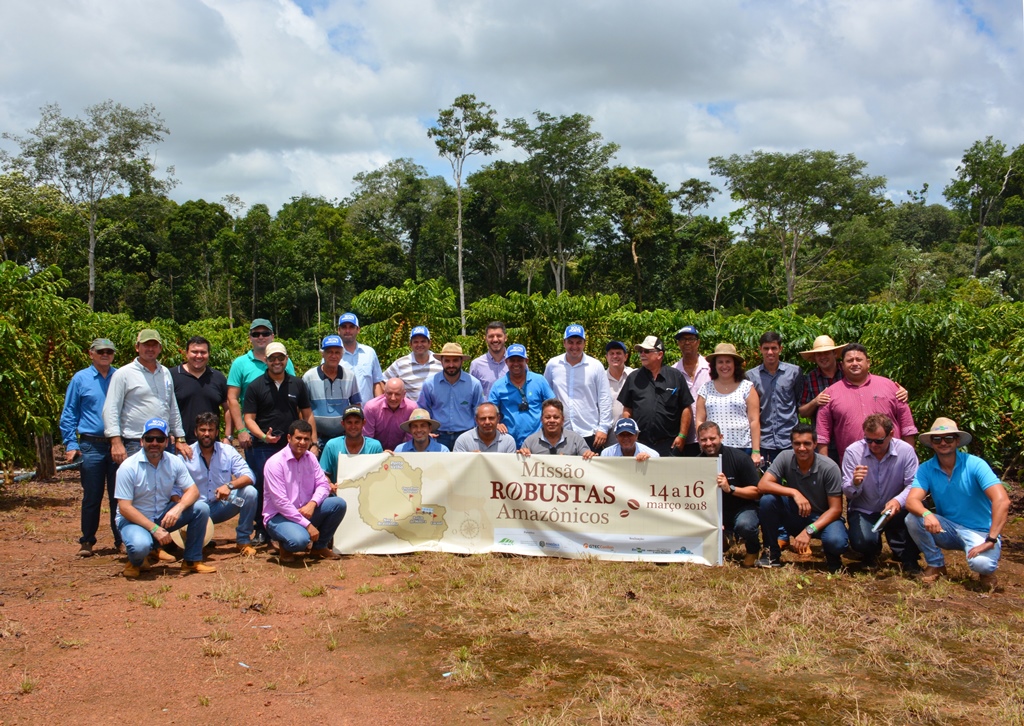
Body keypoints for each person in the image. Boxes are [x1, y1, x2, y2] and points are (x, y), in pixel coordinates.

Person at [905, 418, 1009, 591]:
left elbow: (1002, 500)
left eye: (949, 438)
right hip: (949, 528)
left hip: (980, 530)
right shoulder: (926, 468)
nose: (943, 443)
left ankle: (986, 572)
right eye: (937, 439)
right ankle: (936, 564)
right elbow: (911, 500)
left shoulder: (975, 464)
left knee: (982, 564)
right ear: (931, 443)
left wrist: (991, 538)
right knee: (912, 518)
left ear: (957, 441)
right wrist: (927, 514)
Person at [114, 418, 215, 578]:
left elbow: (193, 491)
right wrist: (154, 529)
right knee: (140, 546)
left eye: (160, 439)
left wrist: (178, 509)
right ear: (141, 441)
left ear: (167, 442)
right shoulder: (128, 467)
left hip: (162, 516)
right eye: (149, 439)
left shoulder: (173, 462)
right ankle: (137, 560)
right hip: (134, 520)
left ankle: (191, 561)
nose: (154, 443)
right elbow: (125, 508)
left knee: (201, 508)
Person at [242, 341, 315, 545]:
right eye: (272, 358)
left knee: (293, 488)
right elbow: (249, 418)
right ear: (265, 360)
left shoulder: (297, 384)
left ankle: (289, 525)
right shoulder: (255, 386)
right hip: (263, 446)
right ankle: (261, 529)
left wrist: (312, 442)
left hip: (293, 446)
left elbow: (308, 415)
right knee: (261, 487)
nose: (276, 362)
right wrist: (263, 436)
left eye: (280, 358)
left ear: (286, 359)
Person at [798, 335, 909, 466]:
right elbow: (802, 411)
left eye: (826, 352)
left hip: (877, 444)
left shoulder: (849, 369)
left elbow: (867, 380)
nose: (823, 357)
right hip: (835, 442)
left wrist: (899, 391)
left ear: (835, 354)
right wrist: (816, 401)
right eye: (819, 354)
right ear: (814, 358)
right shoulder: (810, 378)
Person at [756, 424, 848, 572]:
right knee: (768, 501)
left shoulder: (829, 467)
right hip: (796, 513)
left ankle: (833, 559)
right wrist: (794, 492)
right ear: (791, 444)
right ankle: (770, 553)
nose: (802, 448)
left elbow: (836, 509)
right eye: (797, 443)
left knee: (836, 542)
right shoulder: (785, 457)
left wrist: (809, 531)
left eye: (807, 443)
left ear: (815, 444)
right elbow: (762, 484)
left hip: (821, 518)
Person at [60, 337, 121, 556]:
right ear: (91, 353)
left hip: (117, 444)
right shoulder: (80, 379)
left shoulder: (120, 376)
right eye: (101, 351)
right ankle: (87, 540)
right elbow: (69, 413)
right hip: (91, 445)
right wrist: (71, 443)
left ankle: (121, 539)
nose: (106, 354)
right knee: (92, 495)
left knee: (120, 495)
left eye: (109, 351)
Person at [841, 414, 920, 571]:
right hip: (865, 509)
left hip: (896, 510)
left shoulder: (906, 451)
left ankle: (908, 558)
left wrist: (898, 501)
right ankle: (871, 552)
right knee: (862, 542)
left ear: (891, 434)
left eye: (878, 440)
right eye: (868, 440)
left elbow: (914, 484)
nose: (873, 445)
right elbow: (848, 493)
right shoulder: (853, 452)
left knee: (918, 512)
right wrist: (855, 484)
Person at [263, 420, 346, 561]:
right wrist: (307, 525)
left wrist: (312, 504)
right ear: (289, 438)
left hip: (305, 510)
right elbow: (280, 503)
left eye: (306, 439)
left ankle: (319, 547)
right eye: (298, 438)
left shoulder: (311, 459)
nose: (302, 442)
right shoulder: (274, 463)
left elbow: (323, 485)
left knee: (338, 504)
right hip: (279, 516)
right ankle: (285, 546)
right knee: (299, 541)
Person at [103, 328, 189, 464]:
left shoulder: (165, 372)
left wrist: (180, 438)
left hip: (163, 441)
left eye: (154, 345)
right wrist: (116, 442)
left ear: (160, 348)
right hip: (135, 442)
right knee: (137, 484)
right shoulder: (123, 374)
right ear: (137, 347)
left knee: (165, 483)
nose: (150, 349)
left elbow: (172, 407)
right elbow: (111, 409)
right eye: (146, 345)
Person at [182, 412, 259, 557]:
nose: (206, 434)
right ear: (195, 431)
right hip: (196, 510)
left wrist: (229, 486)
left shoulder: (228, 451)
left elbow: (249, 476)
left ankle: (243, 540)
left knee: (250, 493)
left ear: (217, 432)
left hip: (223, 504)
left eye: (211, 430)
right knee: (198, 507)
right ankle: (198, 539)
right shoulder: (186, 455)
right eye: (203, 430)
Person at [226, 318, 296, 452]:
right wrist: (241, 430)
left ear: (272, 336)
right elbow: (232, 399)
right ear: (250, 337)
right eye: (256, 334)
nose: (261, 337)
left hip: (285, 433)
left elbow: (295, 394)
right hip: (253, 435)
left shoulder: (285, 362)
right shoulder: (239, 364)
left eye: (265, 333)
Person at [616, 336, 693, 457]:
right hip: (640, 444)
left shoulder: (675, 376)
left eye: (646, 351)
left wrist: (682, 436)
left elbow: (686, 408)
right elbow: (627, 410)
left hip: (670, 444)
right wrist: (631, 436)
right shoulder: (633, 377)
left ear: (660, 354)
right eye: (640, 351)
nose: (642, 354)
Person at [698, 421, 761, 567]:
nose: (708, 443)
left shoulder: (740, 458)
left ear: (721, 437)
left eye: (712, 438)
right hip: (716, 514)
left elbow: (757, 492)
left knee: (745, 524)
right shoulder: (698, 462)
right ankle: (727, 538)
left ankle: (753, 549)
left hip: (743, 508)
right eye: (704, 440)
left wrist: (730, 489)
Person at [543, 325, 613, 451]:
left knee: (589, 470)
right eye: (570, 342)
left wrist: (603, 428)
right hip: (559, 432)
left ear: (584, 343)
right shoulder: (553, 365)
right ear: (564, 343)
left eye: (578, 342)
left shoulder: (595, 366)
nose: (574, 346)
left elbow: (605, 398)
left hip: (589, 432)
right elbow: (546, 397)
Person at [695, 343, 762, 466]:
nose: (724, 366)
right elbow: (699, 420)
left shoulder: (747, 387)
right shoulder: (705, 389)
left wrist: (756, 451)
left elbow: (754, 421)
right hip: (713, 449)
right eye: (720, 362)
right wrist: (703, 444)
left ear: (735, 365)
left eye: (728, 362)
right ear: (715, 365)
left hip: (742, 447)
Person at [745, 331, 803, 466]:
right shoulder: (751, 376)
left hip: (790, 439)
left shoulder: (794, 372)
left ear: (780, 349)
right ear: (760, 349)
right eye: (766, 348)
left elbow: (798, 401)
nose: (770, 352)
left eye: (774, 348)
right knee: (767, 483)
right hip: (765, 441)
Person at [417, 342, 482, 450]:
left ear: (461, 361)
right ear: (441, 361)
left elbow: (479, 412)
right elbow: (423, 410)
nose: (451, 365)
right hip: (438, 436)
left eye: (455, 360)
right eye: (447, 360)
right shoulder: (430, 384)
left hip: (466, 435)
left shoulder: (474, 384)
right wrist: (426, 431)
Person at [487, 344, 555, 447]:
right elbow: (490, 410)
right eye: (512, 360)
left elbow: (553, 405)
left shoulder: (539, 380)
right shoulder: (498, 386)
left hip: (539, 440)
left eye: (519, 360)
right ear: (506, 362)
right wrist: (497, 424)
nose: (516, 364)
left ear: (526, 361)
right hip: (509, 440)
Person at [170, 335, 232, 445]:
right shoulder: (172, 375)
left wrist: (228, 437)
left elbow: (228, 408)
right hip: (180, 444)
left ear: (209, 354)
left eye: (203, 352)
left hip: (211, 444)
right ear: (186, 353)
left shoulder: (218, 377)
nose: (199, 356)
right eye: (194, 352)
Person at [303, 334, 361, 448]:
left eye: (337, 352)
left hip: (343, 438)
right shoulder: (309, 377)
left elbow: (356, 405)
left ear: (342, 354)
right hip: (317, 438)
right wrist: (311, 440)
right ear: (322, 354)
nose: (333, 356)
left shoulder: (350, 376)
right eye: (329, 352)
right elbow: (302, 410)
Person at [319, 405, 385, 485]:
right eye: (349, 422)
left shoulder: (375, 446)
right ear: (343, 424)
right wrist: (329, 484)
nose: (353, 426)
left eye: (357, 422)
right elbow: (323, 475)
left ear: (363, 423)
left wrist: (387, 458)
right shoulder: (331, 445)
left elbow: (381, 475)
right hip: (338, 495)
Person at [671, 326, 711, 456]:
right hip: (682, 438)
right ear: (678, 344)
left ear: (698, 342)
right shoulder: (673, 372)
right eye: (682, 339)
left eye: (691, 339)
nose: (687, 342)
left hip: (708, 438)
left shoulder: (711, 369)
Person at [517, 399, 595, 459]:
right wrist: (522, 455)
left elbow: (587, 461)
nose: (552, 421)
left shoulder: (576, 440)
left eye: (556, 417)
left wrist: (589, 455)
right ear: (541, 419)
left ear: (562, 420)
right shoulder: (530, 441)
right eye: (547, 417)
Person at [383, 325, 443, 401]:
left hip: (436, 411)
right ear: (410, 344)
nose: (419, 345)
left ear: (429, 343)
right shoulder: (400, 364)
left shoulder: (440, 363)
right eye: (415, 342)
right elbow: (382, 381)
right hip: (411, 412)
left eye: (423, 341)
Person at [337, 312, 385, 405]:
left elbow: (377, 383)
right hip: (342, 414)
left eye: (351, 327)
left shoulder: (369, 353)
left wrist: (378, 408)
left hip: (367, 412)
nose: (347, 330)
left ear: (358, 329)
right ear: (339, 330)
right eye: (344, 327)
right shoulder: (332, 355)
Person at [362, 378, 418, 451]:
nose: (393, 398)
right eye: (389, 393)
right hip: (376, 452)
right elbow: (368, 439)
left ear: (404, 394)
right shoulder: (371, 407)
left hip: (402, 452)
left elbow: (411, 439)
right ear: (384, 392)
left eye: (397, 394)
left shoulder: (412, 408)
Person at [452, 403, 517, 453]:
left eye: (491, 418)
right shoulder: (463, 440)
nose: (487, 422)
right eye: (483, 419)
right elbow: (457, 467)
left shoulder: (508, 441)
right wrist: (469, 459)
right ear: (476, 420)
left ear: (498, 419)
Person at [469, 321, 509, 398]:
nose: (495, 339)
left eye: (499, 336)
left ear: (505, 338)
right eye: (491, 336)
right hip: (486, 409)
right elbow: (471, 394)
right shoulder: (477, 365)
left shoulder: (517, 362)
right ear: (485, 339)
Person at [604, 341, 634, 435]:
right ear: (606, 357)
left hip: (632, 433)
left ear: (626, 356)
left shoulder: (634, 376)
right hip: (608, 434)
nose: (615, 356)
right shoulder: (601, 379)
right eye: (611, 353)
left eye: (618, 353)